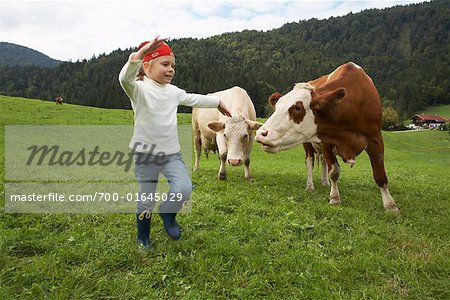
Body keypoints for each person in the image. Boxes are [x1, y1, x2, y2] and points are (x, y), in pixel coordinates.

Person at [119, 36, 231, 251]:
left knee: (184, 187)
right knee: (146, 199)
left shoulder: (173, 91)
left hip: (171, 154)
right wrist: (141, 53)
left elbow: (193, 98)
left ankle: (168, 213)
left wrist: (217, 102)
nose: (171, 69)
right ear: (147, 65)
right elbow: (125, 78)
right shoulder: (138, 89)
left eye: (172, 65)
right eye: (165, 64)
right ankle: (143, 238)